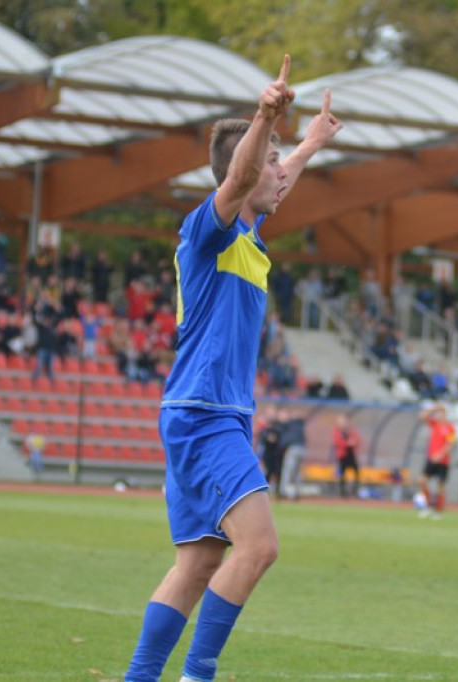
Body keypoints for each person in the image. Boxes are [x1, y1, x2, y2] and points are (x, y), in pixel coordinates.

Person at [123, 55, 341, 682]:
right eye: (271, 161)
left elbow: (269, 179)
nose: (280, 171)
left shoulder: (249, 234)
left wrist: (308, 143)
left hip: (209, 413)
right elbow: (245, 175)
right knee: (260, 547)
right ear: (242, 173)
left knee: (197, 565)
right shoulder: (208, 231)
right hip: (205, 413)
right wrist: (264, 117)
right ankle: (198, 675)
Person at [418, 403, 456, 519]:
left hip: (443, 461)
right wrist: (434, 408)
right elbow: (422, 416)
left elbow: (450, 444)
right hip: (431, 459)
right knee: (423, 481)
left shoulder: (451, 428)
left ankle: (438, 511)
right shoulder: (435, 424)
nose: (438, 415)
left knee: (440, 486)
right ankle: (428, 506)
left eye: (440, 413)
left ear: (445, 415)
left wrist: (440, 455)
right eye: (437, 414)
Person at [332, 415, 362, 498]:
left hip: (351, 455)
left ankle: (354, 491)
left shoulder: (351, 431)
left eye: (344, 421)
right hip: (343, 456)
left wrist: (353, 443)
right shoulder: (337, 432)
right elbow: (338, 443)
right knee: (342, 474)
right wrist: (348, 443)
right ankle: (343, 492)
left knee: (357, 473)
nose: (343, 423)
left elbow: (358, 440)